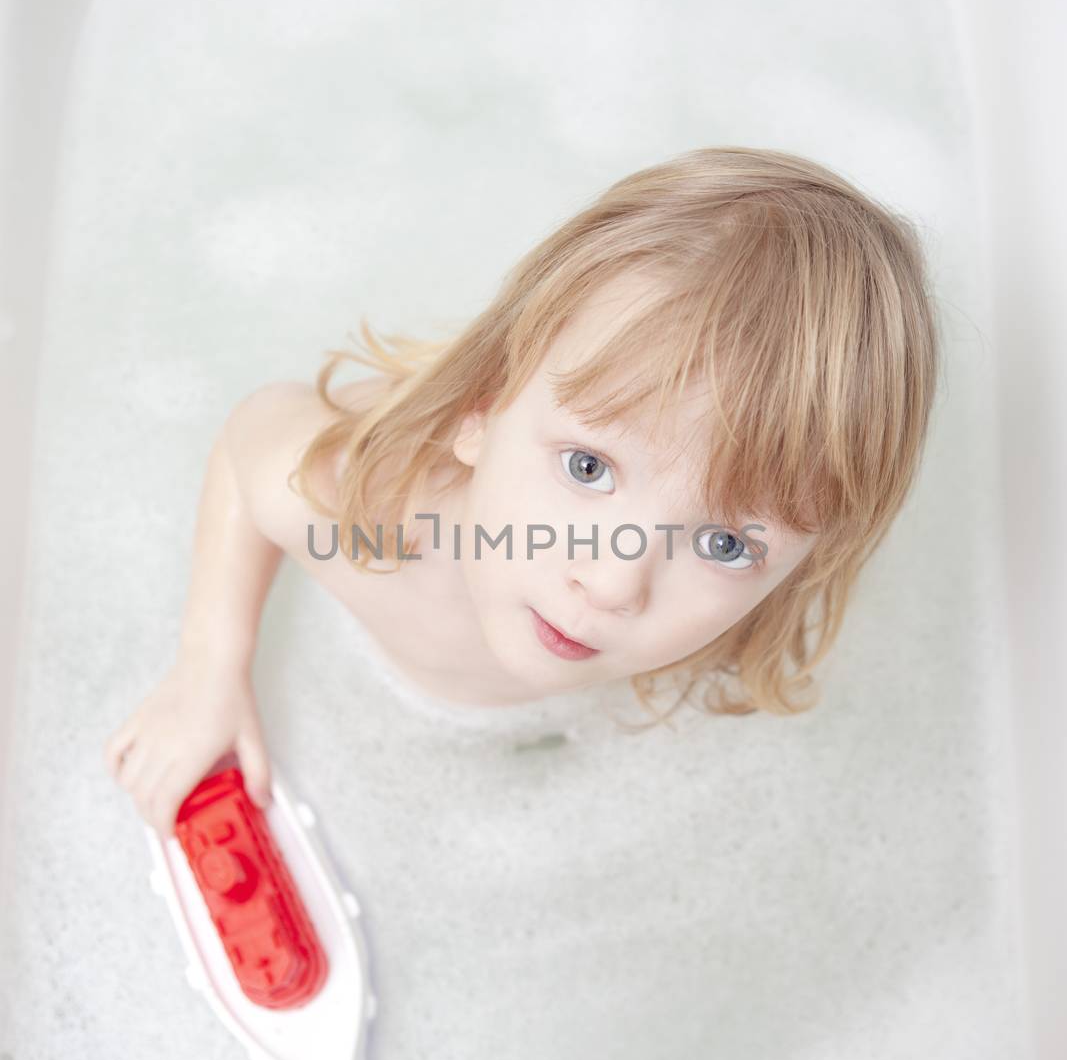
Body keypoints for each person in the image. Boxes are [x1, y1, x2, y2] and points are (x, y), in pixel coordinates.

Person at [102, 145, 943, 836]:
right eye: (587, 468)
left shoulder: (719, 631)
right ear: (483, 405)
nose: (612, 582)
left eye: (724, 544)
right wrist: (210, 665)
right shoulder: (365, 520)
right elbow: (248, 448)